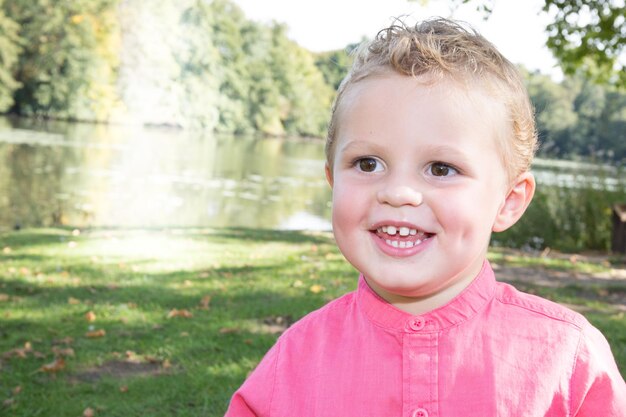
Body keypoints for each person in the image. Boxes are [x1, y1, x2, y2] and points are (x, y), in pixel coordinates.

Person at [225, 18, 626, 416]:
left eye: (440, 168)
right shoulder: (293, 360)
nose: (398, 192)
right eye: (367, 163)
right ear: (332, 180)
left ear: (508, 201)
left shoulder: (569, 362)